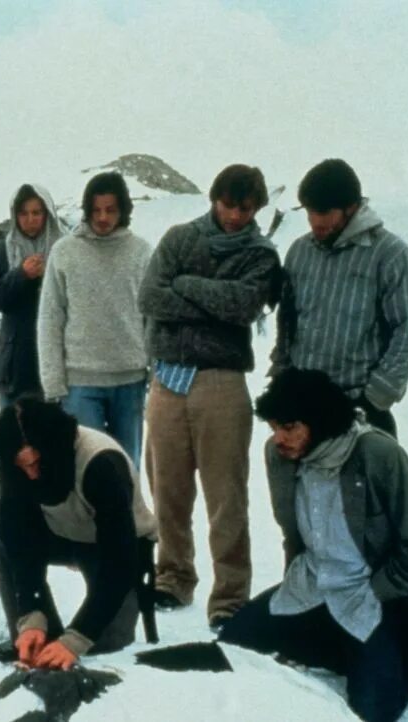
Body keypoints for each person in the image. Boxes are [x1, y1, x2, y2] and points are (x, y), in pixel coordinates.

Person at [218, 369, 408, 722]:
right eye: (274, 427)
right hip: (313, 584)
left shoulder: (376, 453)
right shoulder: (280, 455)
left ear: (319, 421)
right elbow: (294, 536)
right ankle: (327, 645)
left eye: (289, 427)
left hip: (374, 595)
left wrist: (379, 591)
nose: (279, 438)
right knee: (232, 646)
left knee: (373, 709)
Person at [138, 164, 282, 626]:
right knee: (169, 490)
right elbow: (150, 297)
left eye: (245, 207)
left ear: (256, 207)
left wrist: (184, 285)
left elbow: (243, 306)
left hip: (221, 382)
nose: (235, 215)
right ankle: (173, 576)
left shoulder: (261, 254)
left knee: (226, 496)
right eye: (228, 204)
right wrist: (210, 301)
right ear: (214, 199)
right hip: (167, 380)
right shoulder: (180, 237)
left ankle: (230, 597)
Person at [0, 397, 158, 670]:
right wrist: (30, 614)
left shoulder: (101, 463)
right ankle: (37, 636)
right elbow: (19, 540)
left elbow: (120, 562)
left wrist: (76, 639)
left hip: (114, 548)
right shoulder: (15, 462)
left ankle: (67, 640)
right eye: (22, 466)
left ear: (52, 448)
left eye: (35, 463)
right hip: (60, 533)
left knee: (106, 646)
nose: (31, 474)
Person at [271, 159, 408, 438]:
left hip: (358, 410)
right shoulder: (300, 251)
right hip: (301, 409)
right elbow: (287, 320)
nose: (316, 222)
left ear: (351, 208)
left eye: (324, 212)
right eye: (309, 212)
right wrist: (281, 377)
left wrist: (376, 396)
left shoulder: (390, 254)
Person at [37, 172, 151, 469]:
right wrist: (53, 383)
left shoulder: (140, 252)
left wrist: (154, 371)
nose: (102, 217)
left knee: (128, 470)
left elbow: (152, 317)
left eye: (110, 210)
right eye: (96, 210)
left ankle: (128, 518)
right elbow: (50, 318)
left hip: (130, 379)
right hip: (80, 382)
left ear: (123, 210)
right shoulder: (65, 252)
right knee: (85, 468)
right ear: (87, 210)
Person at [0, 184, 65, 409]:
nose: (30, 219)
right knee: (12, 437)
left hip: (57, 360)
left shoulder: (64, 250)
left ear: (47, 214)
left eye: (37, 213)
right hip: (14, 362)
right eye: (24, 213)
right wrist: (20, 275)